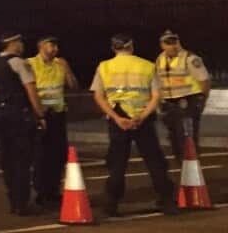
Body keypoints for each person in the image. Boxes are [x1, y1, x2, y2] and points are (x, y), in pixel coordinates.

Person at [91, 33, 178, 217]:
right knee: (155, 161)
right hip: (143, 118)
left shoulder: (104, 67)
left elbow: (98, 96)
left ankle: (111, 204)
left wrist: (116, 117)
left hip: (118, 118)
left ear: (114, 48)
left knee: (117, 163)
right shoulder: (146, 65)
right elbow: (156, 95)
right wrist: (142, 116)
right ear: (131, 46)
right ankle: (167, 201)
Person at [0, 32, 47, 216]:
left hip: (2, 114)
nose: (22, 44)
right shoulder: (19, 63)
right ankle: (22, 202)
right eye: (19, 41)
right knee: (22, 159)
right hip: (19, 114)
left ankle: (13, 201)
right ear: (12, 43)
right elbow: (30, 89)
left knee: (8, 160)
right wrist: (40, 114)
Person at [28, 37, 78, 209]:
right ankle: (41, 193)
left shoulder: (60, 64)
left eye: (57, 45)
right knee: (41, 156)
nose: (55, 48)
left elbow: (73, 86)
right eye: (51, 45)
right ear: (41, 46)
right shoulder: (31, 64)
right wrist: (38, 113)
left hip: (58, 114)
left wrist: (67, 69)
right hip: (41, 115)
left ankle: (53, 191)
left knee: (58, 155)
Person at [155, 30, 211, 162]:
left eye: (174, 42)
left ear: (178, 42)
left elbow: (204, 81)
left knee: (187, 138)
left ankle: (192, 170)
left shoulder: (190, 58)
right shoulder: (160, 59)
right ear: (162, 45)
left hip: (188, 101)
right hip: (169, 104)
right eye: (168, 43)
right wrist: (159, 104)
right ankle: (183, 167)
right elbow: (159, 82)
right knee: (174, 137)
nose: (172, 46)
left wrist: (201, 102)